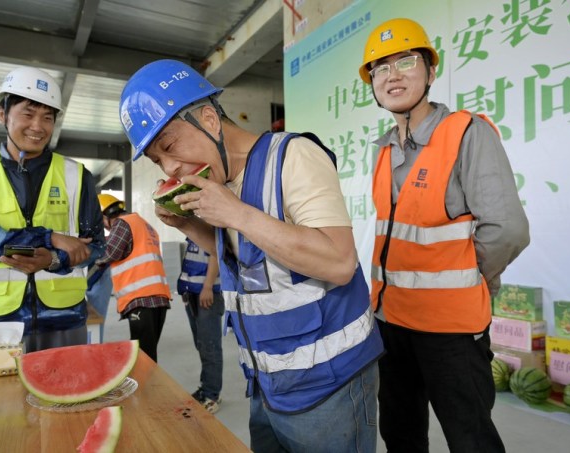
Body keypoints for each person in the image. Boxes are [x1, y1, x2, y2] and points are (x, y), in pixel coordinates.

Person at [119, 59, 384, 452]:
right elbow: (249, 258)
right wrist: (190, 227)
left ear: (209, 119)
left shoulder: (294, 156)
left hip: (330, 386)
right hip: (266, 384)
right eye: (158, 161)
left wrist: (236, 213)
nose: (170, 166)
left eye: (170, 146)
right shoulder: (221, 181)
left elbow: (339, 263)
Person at [359, 18, 530, 453]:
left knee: (470, 438)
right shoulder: (382, 149)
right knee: (400, 434)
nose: (393, 75)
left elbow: (507, 229)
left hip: (451, 330)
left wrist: (472, 276)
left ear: (431, 71)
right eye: (380, 69)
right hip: (391, 323)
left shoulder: (465, 133)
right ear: (372, 83)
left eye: (406, 61)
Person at [0, 66, 105, 353]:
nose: (38, 127)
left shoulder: (77, 175)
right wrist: (50, 237)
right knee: (2, 397)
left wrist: (51, 259)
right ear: (3, 114)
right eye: (28, 114)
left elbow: (95, 246)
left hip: (64, 318)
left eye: (47, 118)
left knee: (65, 394)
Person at [95, 194, 171, 362]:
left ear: (105, 215)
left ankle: (147, 388)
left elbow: (110, 253)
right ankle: (148, 386)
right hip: (157, 297)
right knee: (148, 353)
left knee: (142, 357)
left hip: (141, 298)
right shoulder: (144, 224)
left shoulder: (122, 223)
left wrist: (86, 256)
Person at [177, 237, 224, 414]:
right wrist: (184, 287)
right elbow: (191, 257)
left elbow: (216, 253)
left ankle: (212, 395)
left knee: (210, 345)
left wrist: (208, 286)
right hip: (192, 292)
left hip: (207, 293)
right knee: (202, 344)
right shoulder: (195, 224)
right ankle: (206, 387)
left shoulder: (212, 224)